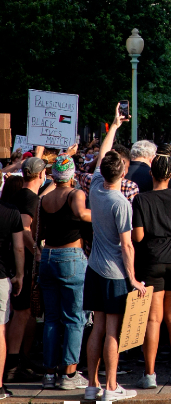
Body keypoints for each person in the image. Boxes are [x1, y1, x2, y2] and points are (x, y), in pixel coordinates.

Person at [84, 108, 146, 401]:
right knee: (112, 330)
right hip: (114, 273)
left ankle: (92, 385)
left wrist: (115, 126)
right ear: (122, 172)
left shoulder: (95, 187)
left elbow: (103, 152)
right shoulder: (122, 202)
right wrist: (133, 278)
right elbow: (128, 245)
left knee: (96, 328)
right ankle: (110, 388)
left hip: (94, 267)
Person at [132, 146, 171, 388]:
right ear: (170, 175)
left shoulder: (141, 199)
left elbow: (137, 237)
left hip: (152, 260)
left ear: (151, 174)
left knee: (152, 321)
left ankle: (149, 374)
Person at [32, 154, 89, 391]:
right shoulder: (75, 195)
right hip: (71, 258)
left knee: (52, 319)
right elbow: (82, 215)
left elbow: (38, 231)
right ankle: (69, 373)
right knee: (75, 318)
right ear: (72, 174)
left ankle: (48, 372)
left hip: (48, 258)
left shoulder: (44, 200)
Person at [7, 159, 43, 385]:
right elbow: (24, 227)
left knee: (17, 313)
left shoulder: (18, 195)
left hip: (14, 260)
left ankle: (15, 360)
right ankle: (12, 365)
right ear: (42, 174)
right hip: (22, 262)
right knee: (21, 313)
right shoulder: (29, 198)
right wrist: (37, 251)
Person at [0, 173, 25, 400]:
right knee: (0, 330)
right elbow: (19, 248)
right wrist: (20, 275)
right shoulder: (10, 211)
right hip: (1, 277)